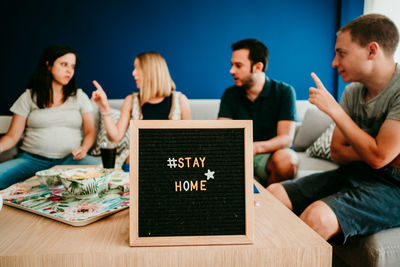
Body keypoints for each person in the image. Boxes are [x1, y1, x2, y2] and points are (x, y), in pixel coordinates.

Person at [267, 14, 400, 243]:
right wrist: (378, 151)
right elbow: (338, 151)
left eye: (341, 53)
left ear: (372, 51)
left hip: (393, 188)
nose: (334, 62)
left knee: (316, 217)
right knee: (274, 194)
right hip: (355, 173)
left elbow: (378, 158)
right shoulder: (352, 92)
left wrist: (335, 111)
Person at [0, 45, 101, 189]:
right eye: (64, 64)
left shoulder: (79, 96)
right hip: (32, 161)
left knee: (108, 173)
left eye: (72, 66)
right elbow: (12, 137)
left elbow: (90, 132)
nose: (69, 71)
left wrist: (84, 148)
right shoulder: (29, 96)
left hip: (71, 161)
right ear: (48, 65)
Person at [218, 39, 298, 186]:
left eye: (238, 65)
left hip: (269, 155)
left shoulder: (284, 92)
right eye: (232, 65)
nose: (231, 71)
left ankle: (270, 206)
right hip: (237, 155)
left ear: (257, 67)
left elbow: (286, 139)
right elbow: (223, 133)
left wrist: (254, 148)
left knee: (288, 161)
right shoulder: (230, 94)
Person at [91, 51, 191, 143]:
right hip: (141, 160)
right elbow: (115, 137)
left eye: (137, 68)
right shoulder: (130, 101)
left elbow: (188, 139)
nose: (133, 73)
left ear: (151, 72)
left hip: (170, 161)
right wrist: (104, 108)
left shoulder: (180, 101)